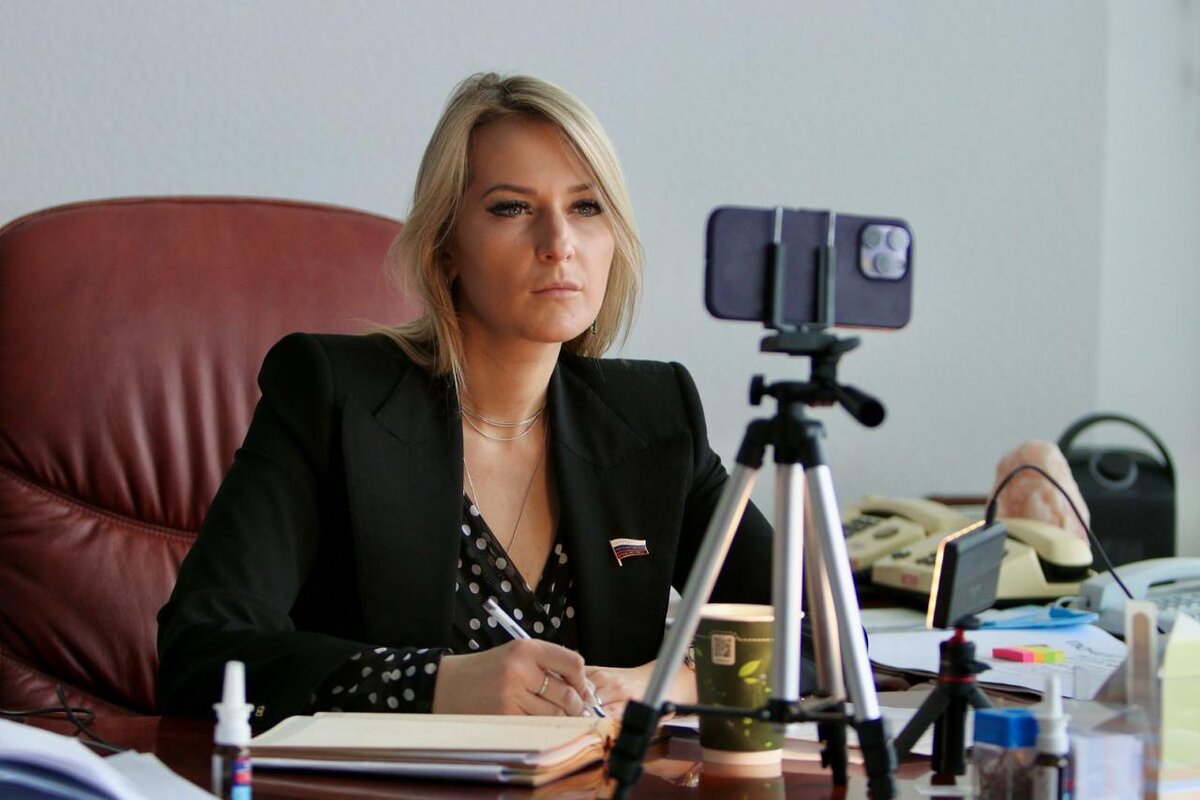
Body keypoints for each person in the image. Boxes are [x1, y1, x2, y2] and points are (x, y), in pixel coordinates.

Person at [157, 72, 809, 727]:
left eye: (587, 207)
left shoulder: (653, 416)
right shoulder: (333, 395)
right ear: (444, 248)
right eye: (512, 208)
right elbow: (203, 651)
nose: (559, 244)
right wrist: (433, 685)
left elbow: (816, 636)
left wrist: (670, 682)